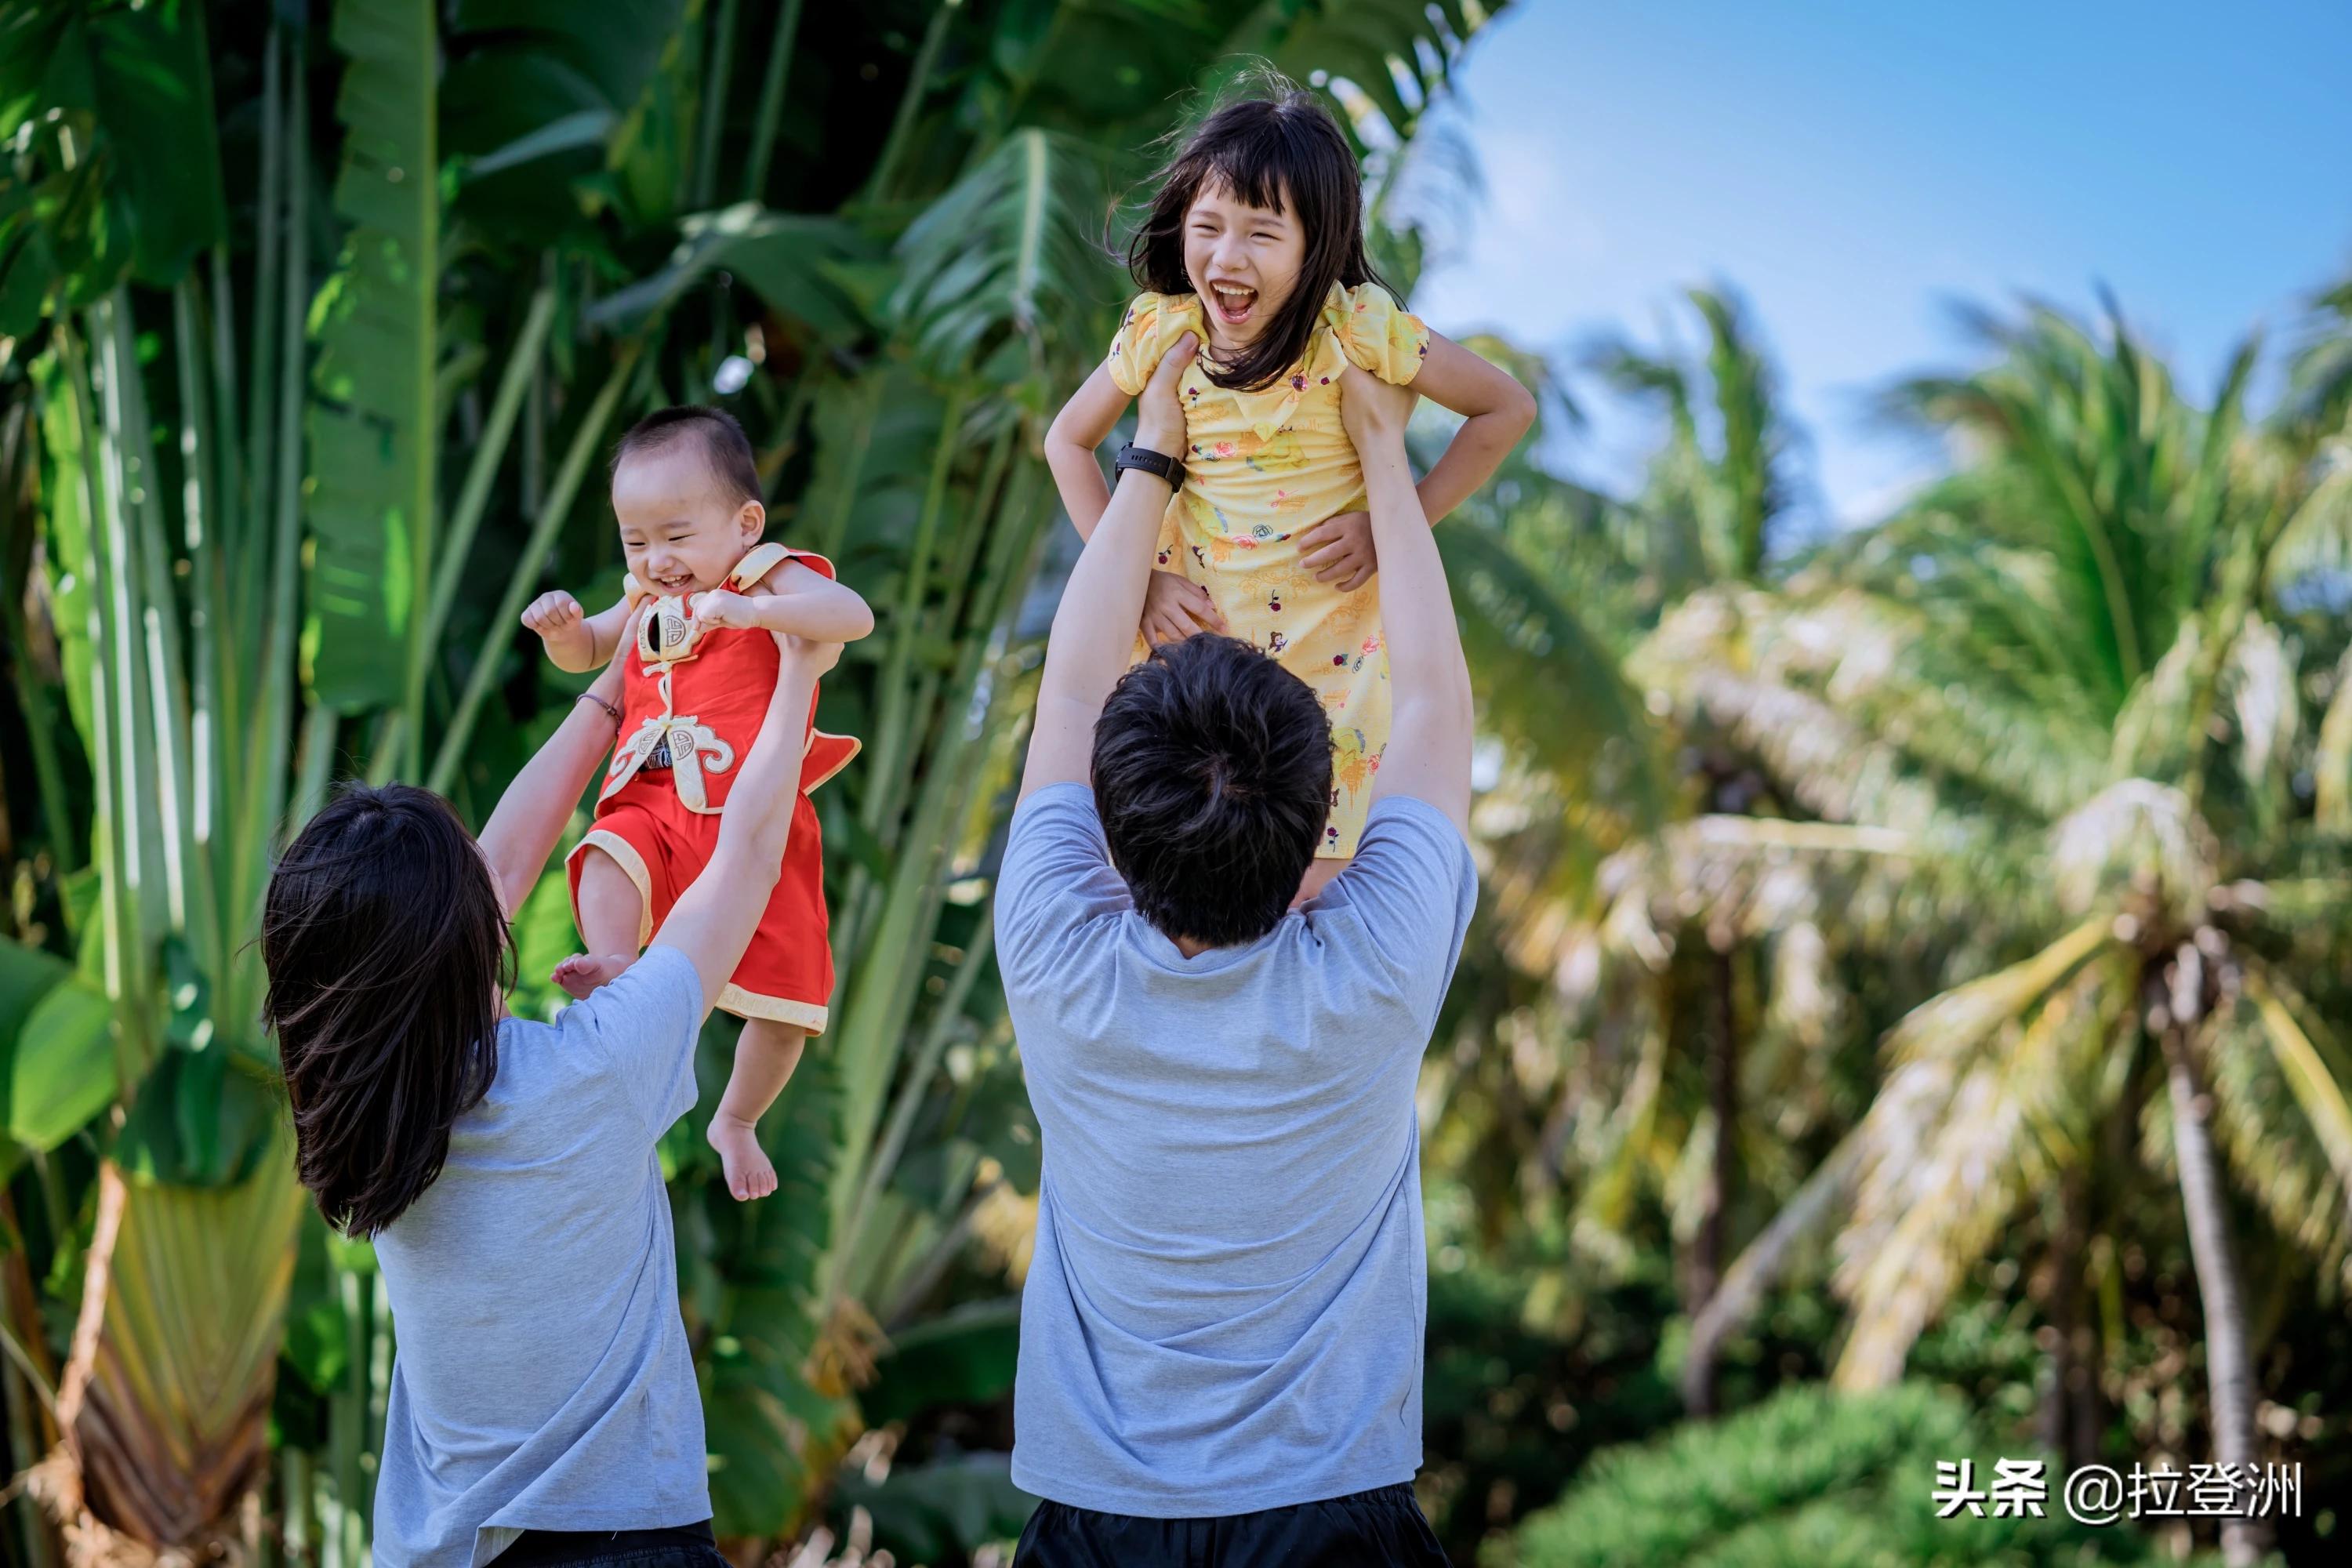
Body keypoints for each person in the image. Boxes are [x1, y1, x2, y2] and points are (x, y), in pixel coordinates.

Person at [999, 318, 1479, 1565]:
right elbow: (1430, 696)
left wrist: (1152, 454)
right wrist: (1385, 457)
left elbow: (1071, 679)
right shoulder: (1374, 973)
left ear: (1112, 823)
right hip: (1333, 1519)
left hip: (1099, 1526)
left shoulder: (1056, 954)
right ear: (1333, 815)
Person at [262, 622, 841, 1567]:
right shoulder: (597, 1070)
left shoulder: (354, 1104)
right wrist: (798, 678)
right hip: (628, 1545)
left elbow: (486, 885)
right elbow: (746, 855)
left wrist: (618, 684)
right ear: (475, 939)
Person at [1043, 78, 1531, 900]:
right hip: (1189, 646)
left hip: (1332, 658)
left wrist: (1389, 528)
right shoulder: (1164, 328)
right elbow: (1067, 440)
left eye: (1263, 233)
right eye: (1209, 228)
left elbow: (1504, 407)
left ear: (1317, 244)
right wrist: (1136, 582)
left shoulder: (1360, 328)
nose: (1226, 259)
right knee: (1159, 864)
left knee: (1312, 887)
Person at [520, 406, 874, 1200]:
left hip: (756, 822)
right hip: (654, 795)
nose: (657, 559)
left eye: (676, 537)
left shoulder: (766, 573)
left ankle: (737, 1118)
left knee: (787, 1008)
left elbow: (852, 615)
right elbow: (589, 652)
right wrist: (561, 631)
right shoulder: (644, 596)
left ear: (745, 523)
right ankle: (618, 958)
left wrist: (762, 613)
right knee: (609, 849)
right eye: (635, 540)